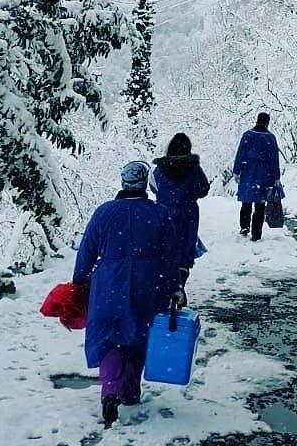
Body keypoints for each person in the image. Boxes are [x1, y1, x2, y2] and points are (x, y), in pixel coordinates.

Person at [73, 160, 184, 427]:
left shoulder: (104, 212)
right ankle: (130, 392)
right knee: (138, 336)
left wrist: (78, 280)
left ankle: (109, 390)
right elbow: (170, 256)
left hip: (108, 283)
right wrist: (175, 287)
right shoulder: (159, 214)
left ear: (123, 182)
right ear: (145, 183)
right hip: (148, 283)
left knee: (110, 339)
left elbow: (86, 250)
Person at [151, 132, 211, 280]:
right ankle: (181, 279)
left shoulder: (160, 169)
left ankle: (165, 283)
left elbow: (153, 187)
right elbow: (204, 189)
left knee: (165, 245)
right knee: (185, 247)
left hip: (163, 212)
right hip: (187, 212)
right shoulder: (194, 168)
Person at [233, 112, 281, 241]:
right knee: (260, 205)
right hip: (264, 174)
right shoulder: (270, 138)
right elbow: (274, 159)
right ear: (267, 122)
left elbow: (240, 154)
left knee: (246, 202)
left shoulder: (247, 135)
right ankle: (256, 233)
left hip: (248, 171)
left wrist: (236, 171)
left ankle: (244, 226)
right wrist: (276, 176)